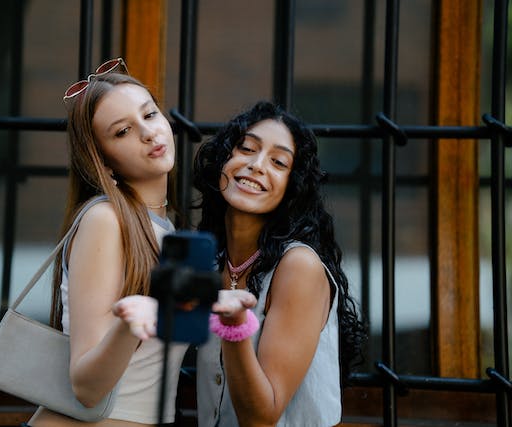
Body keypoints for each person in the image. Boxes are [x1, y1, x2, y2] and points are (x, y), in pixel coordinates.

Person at [27, 58, 188, 426]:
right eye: (122, 132)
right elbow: (86, 386)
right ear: (103, 161)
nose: (148, 133)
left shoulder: (163, 229)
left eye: (149, 115)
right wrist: (132, 322)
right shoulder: (107, 220)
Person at [193, 101, 366, 427]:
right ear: (223, 160)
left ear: (292, 187)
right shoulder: (214, 261)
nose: (257, 165)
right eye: (246, 148)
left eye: (278, 162)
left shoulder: (298, 267)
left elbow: (261, 417)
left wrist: (234, 328)